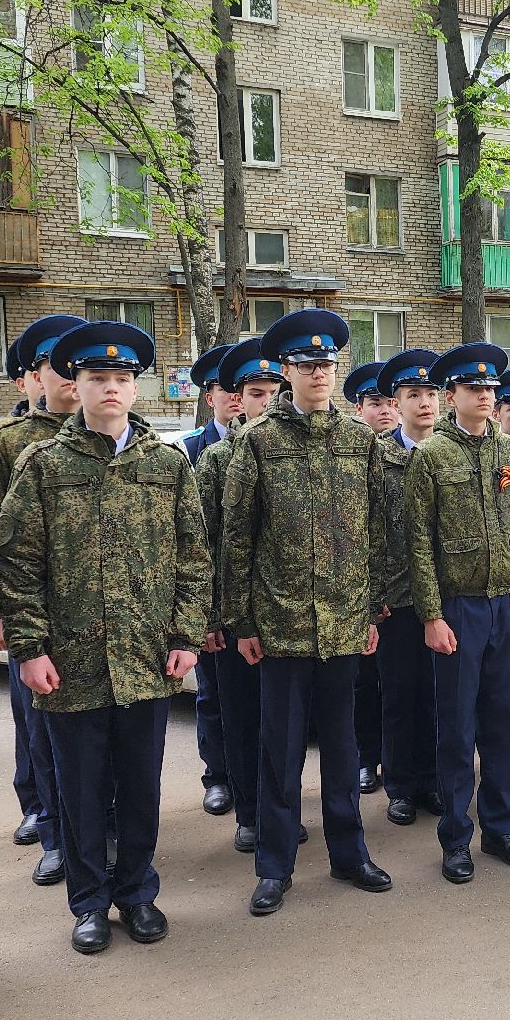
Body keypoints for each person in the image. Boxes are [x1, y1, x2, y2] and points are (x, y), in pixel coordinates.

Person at [0, 320, 210, 954]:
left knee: (141, 785)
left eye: (121, 379)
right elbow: (18, 561)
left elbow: (194, 557)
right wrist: (30, 648)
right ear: (75, 385)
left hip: (147, 657)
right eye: (96, 379)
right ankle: (89, 902)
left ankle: (138, 893)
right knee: (80, 789)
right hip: (72, 662)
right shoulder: (42, 463)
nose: (110, 389)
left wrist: (187, 634)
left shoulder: (167, 464)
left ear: (136, 389)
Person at [222, 309, 391, 916]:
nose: (316, 372)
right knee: (281, 752)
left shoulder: (358, 441)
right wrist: (240, 621)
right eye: (303, 364)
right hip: (281, 626)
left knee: (343, 750)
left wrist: (373, 608)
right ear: (285, 372)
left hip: (345, 622)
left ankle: (350, 854)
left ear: (335, 368)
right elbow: (237, 537)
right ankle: (274, 867)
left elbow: (378, 531)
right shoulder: (257, 443)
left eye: (324, 363)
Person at [404, 342, 510, 883]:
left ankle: (502, 829)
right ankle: (455, 838)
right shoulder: (432, 456)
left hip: (508, 607)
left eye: (490, 388)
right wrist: (431, 614)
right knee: (458, 729)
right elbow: (417, 541)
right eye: (473, 389)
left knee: (506, 722)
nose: (485, 396)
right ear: (452, 395)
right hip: (459, 610)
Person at [0, 313, 85, 887]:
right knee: (38, 728)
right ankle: (52, 829)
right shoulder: (6, 445)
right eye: (55, 365)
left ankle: (101, 827)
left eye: (78, 365)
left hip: (101, 618)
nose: (69, 376)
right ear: (35, 375)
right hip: (33, 618)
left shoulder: (115, 438)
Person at [198, 337, 288, 855]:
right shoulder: (215, 460)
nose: (266, 400)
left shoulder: (286, 449)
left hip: (284, 612)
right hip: (236, 617)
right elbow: (204, 544)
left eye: (273, 389)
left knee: (282, 722)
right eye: (255, 392)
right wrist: (212, 616)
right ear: (236, 398)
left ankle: (281, 808)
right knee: (241, 715)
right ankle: (251, 814)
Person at [371, 349, 446, 827]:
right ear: (395, 403)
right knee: (400, 694)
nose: (423, 403)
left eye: (430, 393)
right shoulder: (377, 457)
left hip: (446, 595)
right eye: (412, 394)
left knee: (442, 695)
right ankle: (399, 784)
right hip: (396, 596)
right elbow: (368, 530)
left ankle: (435, 780)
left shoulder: (451, 451)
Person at [180, 344, 237, 818]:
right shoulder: (192, 451)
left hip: (253, 601)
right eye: (228, 388)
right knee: (212, 694)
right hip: (210, 597)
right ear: (210, 394)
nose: (238, 398)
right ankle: (217, 776)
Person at [344, 359, 393, 795]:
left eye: (388, 403)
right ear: (359, 408)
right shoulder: (350, 453)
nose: (384, 411)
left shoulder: (414, 453)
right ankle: (365, 759)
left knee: (398, 688)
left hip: (401, 592)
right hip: (359, 591)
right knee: (363, 684)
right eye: (374, 403)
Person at [346, 360, 398, 436]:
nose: (385, 411)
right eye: (376, 404)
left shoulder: (416, 445)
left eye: (391, 404)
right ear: (359, 408)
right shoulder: (346, 444)